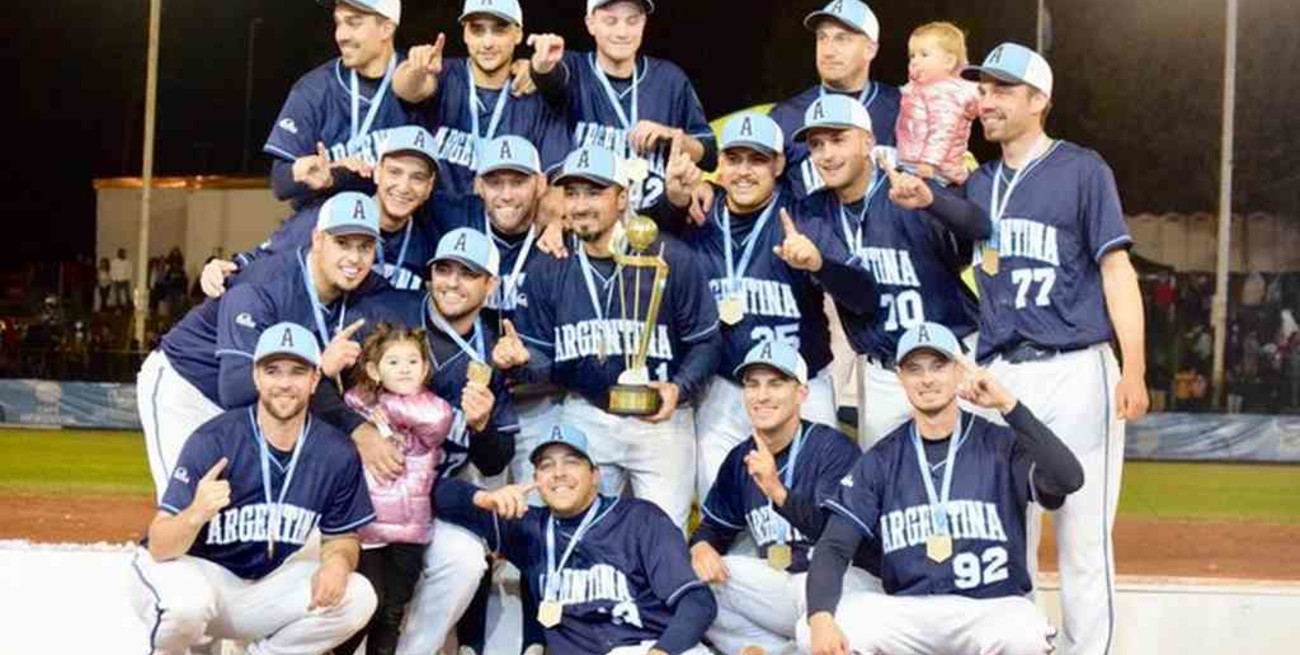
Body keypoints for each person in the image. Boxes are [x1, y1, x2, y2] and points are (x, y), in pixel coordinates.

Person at [959, 42, 1149, 655]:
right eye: (982, 89)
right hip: (1000, 375)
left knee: (1082, 539)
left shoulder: (1082, 170)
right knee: (1003, 536)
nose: (986, 100)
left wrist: (1135, 368)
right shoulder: (979, 183)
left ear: (1039, 100)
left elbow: (1117, 272)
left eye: (1002, 90)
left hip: (1074, 367)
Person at [801, 322, 1084, 655]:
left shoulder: (1002, 444)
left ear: (958, 370)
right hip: (908, 615)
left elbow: (1069, 478)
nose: (927, 379)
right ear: (900, 377)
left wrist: (1009, 405)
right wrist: (820, 617)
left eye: (939, 365)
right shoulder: (880, 459)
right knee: (813, 629)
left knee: (1024, 631)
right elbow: (834, 546)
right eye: (914, 369)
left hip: (989, 610)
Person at [127, 322, 378, 655]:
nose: (284, 383)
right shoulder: (214, 440)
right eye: (273, 371)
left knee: (358, 596)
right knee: (184, 607)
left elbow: (342, 538)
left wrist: (337, 564)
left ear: (315, 379)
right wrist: (195, 514)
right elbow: (159, 545)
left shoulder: (335, 452)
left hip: (261, 588)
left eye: (297, 371)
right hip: (196, 574)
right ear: (257, 377)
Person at [659, 113, 871, 498]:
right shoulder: (698, 217)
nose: (743, 171)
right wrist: (672, 203)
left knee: (818, 507)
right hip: (724, 390)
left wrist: (819, 265)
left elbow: (864, 296)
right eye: (733, 158)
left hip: (800, 386)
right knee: (721, 510)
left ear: (778, 164)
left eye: (756, 159)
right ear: (719, 164)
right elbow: (642, 241)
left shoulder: (805, 217)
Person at [512, 146, 722, 530]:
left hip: (663, 420)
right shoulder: (549, 266)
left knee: (664, 537)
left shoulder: (671, 258)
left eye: (594, 192)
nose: (580, 205)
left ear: (622, 197)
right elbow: (544, 362)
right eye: (572, 193)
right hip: (586, 413)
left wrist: (679, 389)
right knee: (580, 533)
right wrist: (519, 361)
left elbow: (706, 342)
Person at [138, 192, 389, 501]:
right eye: (342, 243)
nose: (354, 258)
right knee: (189, 511)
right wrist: (319, 367)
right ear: (318, 239)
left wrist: (355, 425)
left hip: (260, 403)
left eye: (364, 247)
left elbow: (310, 382)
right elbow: (235, 388)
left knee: (254, 521)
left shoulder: (355, 293)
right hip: (187, 385)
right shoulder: (262, 286)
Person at [349, 227, 521, 655]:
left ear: (490, 285)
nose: (452, 282)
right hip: (360, 495)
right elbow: (335, 394)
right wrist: (362, 431)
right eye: (444, 269)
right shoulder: (392, 316)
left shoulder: (493, 351)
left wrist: (482, 426)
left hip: (432, 497)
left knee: (464, 559)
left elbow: (497, 461)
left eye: (468, 273)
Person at [785, 94, 986, 448]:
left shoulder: (910, 189)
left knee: (974, 479)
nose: (827, 155)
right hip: (884, 372)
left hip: (953, 359)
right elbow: (861, 300)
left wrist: (933, 202)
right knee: (888, 493)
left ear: (868, 141)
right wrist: (821, 266)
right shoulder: (810, 214)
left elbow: (979, 229)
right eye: (816, 145)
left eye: (838, 139)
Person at [435, 423, 717, 655]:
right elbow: (435, 493)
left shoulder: (640, 520)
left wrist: (661, 652)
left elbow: (698, 602)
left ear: (595, 476)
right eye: (547, 466)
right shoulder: (528, 528)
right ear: (536, 479)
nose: (559, 473)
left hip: (654, 647)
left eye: (571, 462)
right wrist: (485, 497)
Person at [691, 341, 873, 655]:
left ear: (801, 393)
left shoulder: (833, 449)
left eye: (776, 384)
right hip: (779, 584)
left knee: (815, 626)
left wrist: (778, 492)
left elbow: (837, 539)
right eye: (753, 385)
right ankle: (773, 649)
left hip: (839, 585)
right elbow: (713, 528)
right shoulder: (740, 458)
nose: (762, 396)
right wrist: (700, 546)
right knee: (698, 584)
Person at [526, 0, 717, 214]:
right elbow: (550, 80)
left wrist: (672, 135)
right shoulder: (573, 68)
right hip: (585, 226)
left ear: (643, 23)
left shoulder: (670, 79)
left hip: (655, 226)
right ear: (590, 24)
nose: (622, 32)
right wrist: (540, 65)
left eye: (632, 21)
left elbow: (709, 154)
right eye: (610, 21)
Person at [205, 126, 443, 296]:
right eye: (395, 172)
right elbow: (265, 261)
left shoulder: (429, 241)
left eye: (418, 177)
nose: (404, 187)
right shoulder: (330, 217)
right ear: (377, 171)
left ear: (430, 186)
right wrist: (225, 269)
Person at [337, 323, 455, 655]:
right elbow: (348, 401)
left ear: (425, 368)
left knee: (392, 613)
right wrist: (372, 408)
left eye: (412, 362)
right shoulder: (359, 403)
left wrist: (383, 409)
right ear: (373, 370)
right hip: (368, 525)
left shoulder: (432, 407)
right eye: (393, 362)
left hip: (410, 530)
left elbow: (435, 422)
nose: (404, 369)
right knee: (364, 607)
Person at [392, 0, 571, 199]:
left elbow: (553, 185)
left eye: (499, 30)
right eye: (477, 30)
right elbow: (406, 89)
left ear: (518, 34)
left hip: (504, 223)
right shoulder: (443, 74)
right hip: (436, 224)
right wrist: (416, 69)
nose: (487, 43)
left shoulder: (532, 95)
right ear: (465, 34)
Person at [264, 0, 413, 211]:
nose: (341, 35)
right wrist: (329, 173)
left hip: (401, 227)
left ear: (386, 28)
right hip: (327, 224)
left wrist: (341, 175)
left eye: (354, 23)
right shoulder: (313, 89)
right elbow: (280, 183)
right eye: (339, 23)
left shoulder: (417, 83)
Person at [769, 0, 900, 199]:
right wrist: (711, 190)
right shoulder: (785, 116)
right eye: (822, 38)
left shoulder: (905, 107)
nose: (828, 51)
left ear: (870, 50)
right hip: (810, 229)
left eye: (842, 39)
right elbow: (750, 188)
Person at [895, 21, 979, 185]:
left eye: (924, 55)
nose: (915, 61)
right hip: (913, 162)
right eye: (912, 56)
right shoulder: (920, 90)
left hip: (937, 170)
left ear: (949, 62)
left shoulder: (945, 94)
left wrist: (929, 162)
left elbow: (943, 130)